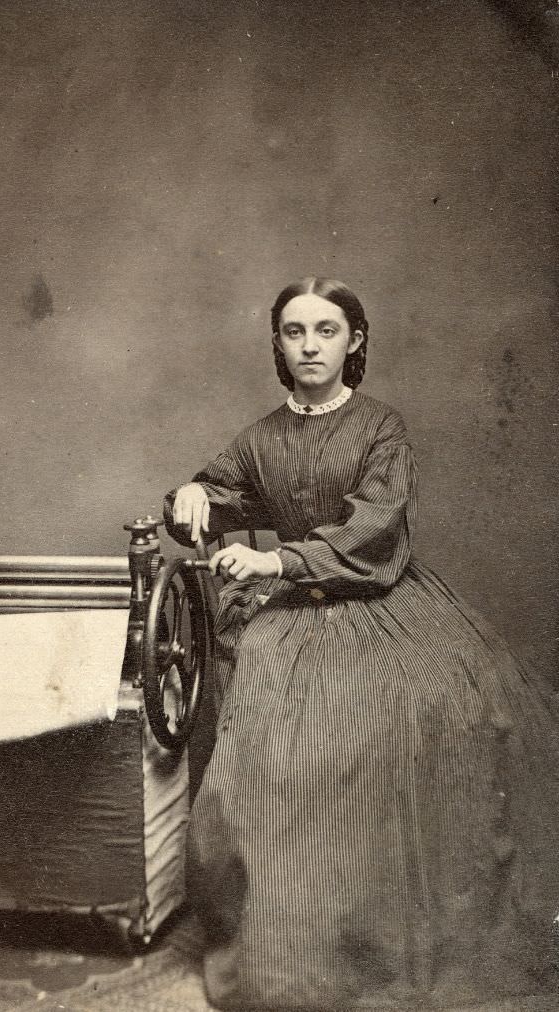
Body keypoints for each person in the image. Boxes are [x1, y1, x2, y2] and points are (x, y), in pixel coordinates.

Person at [163, 277, 559, 1011]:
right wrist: (190, 494)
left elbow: (376, 529)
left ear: (355, 341)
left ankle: (399, 934)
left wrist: (278, 558)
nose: (310, 346)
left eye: (326, 330)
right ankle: (286, 949)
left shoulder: (382, 427)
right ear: (278, 345)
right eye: (294, 332)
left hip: (381, 598)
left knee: (442, 704)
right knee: (271, 740)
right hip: (289, 616)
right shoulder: (261, 437)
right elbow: (223, 495)